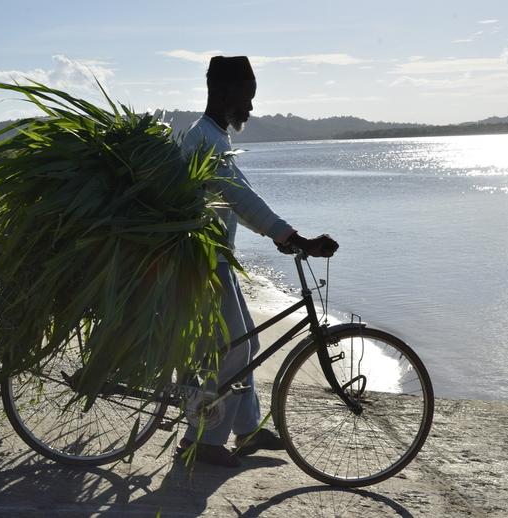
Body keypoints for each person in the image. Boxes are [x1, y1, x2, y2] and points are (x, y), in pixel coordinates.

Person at [177, 55, 338, 467]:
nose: (250, 107)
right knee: (234, 346)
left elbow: (231, 205)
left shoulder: (211, 135)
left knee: (245, 339)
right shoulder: (206, 140)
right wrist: (292, 236)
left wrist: (280, 238)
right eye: (247, 97)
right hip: (203, 262)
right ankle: (203, 441)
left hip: (216, 258)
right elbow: (241, 197)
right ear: (226, 92)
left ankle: (246, 429)